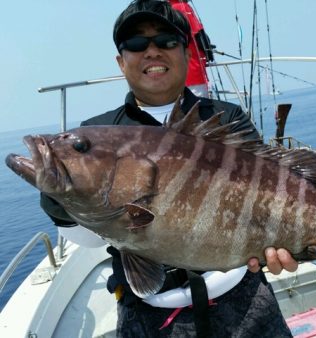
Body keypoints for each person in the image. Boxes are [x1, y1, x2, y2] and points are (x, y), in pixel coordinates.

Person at [40, 1, 298, 337]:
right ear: (121, 62)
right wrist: (58, 196)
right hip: (149, 315)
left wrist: (281, 248)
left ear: (187, 55)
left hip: (244, 298)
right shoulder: (97, 132)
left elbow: (269, 192)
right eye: (135, 44)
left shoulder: (226, 118)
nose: (152, 51)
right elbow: (88, 237)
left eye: (167, 41)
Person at [168, 0, 213, 98]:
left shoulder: (168, 9)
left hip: (179, 76)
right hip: (194, 72)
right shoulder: (182, 7)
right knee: (200, 107)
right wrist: (208, 51)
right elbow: (198, 34)